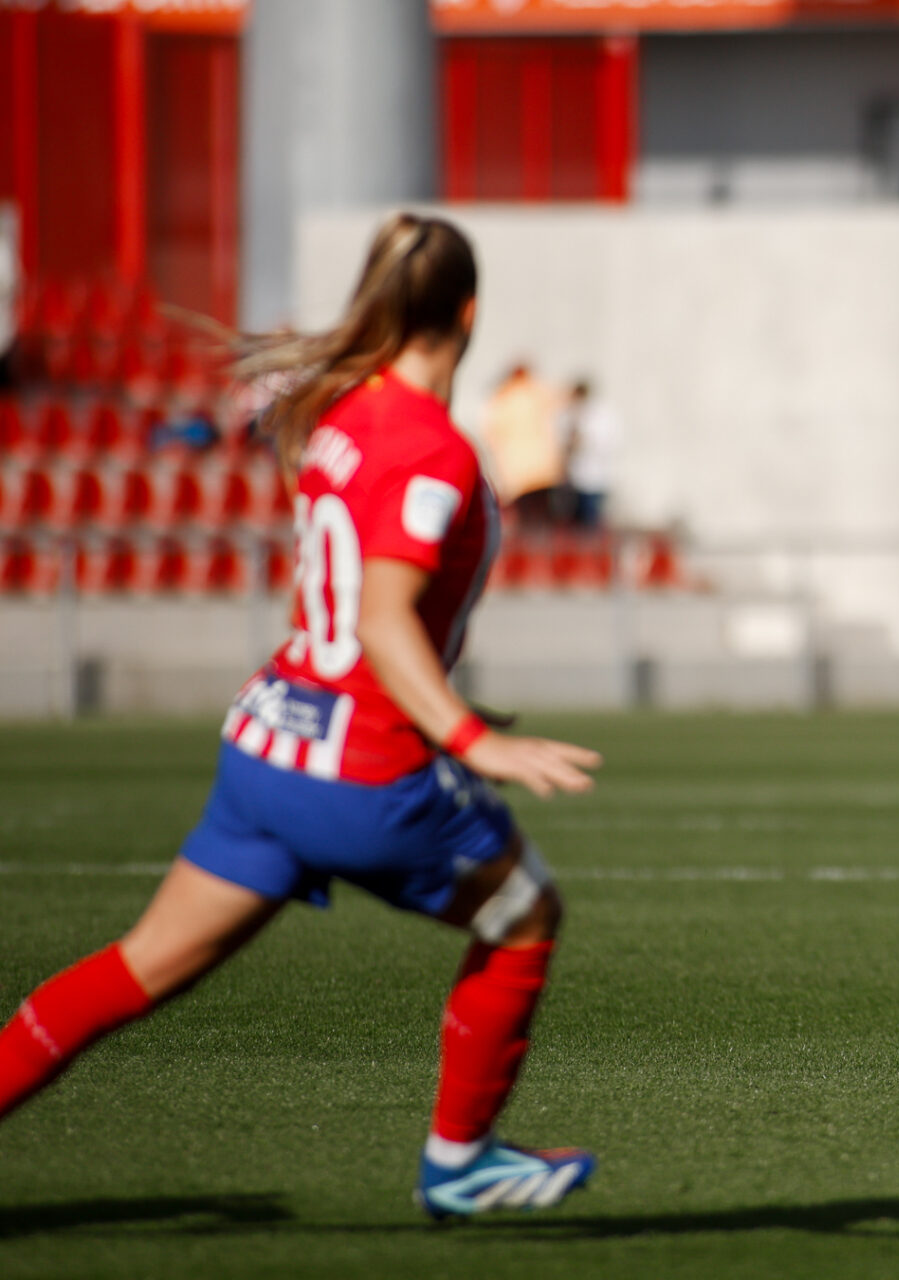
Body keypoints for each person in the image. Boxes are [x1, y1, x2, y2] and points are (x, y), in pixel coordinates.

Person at [0, 213, 606, 1213]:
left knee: (135, 967)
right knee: (524, 911)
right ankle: (461, 1162)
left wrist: (439, 694)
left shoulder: (343, 413)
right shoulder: (429, 448)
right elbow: (378, 618)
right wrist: (471, 736)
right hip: (362, 772)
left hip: (270, 746)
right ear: (469, 311)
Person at [480, 360, 565, 526]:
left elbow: (490, 432)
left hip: (516, 470)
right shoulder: (536, 391)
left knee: (524, 516)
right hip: (542, 466)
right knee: (541, 513)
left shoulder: (502, 397)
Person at [558, 377, 622, 530]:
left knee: (590, 521)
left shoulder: (599, 416)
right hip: (576, 478)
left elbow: (606, 442)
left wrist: (583, 441)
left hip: (594, 477)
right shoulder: (572, 414)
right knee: (576, 521)